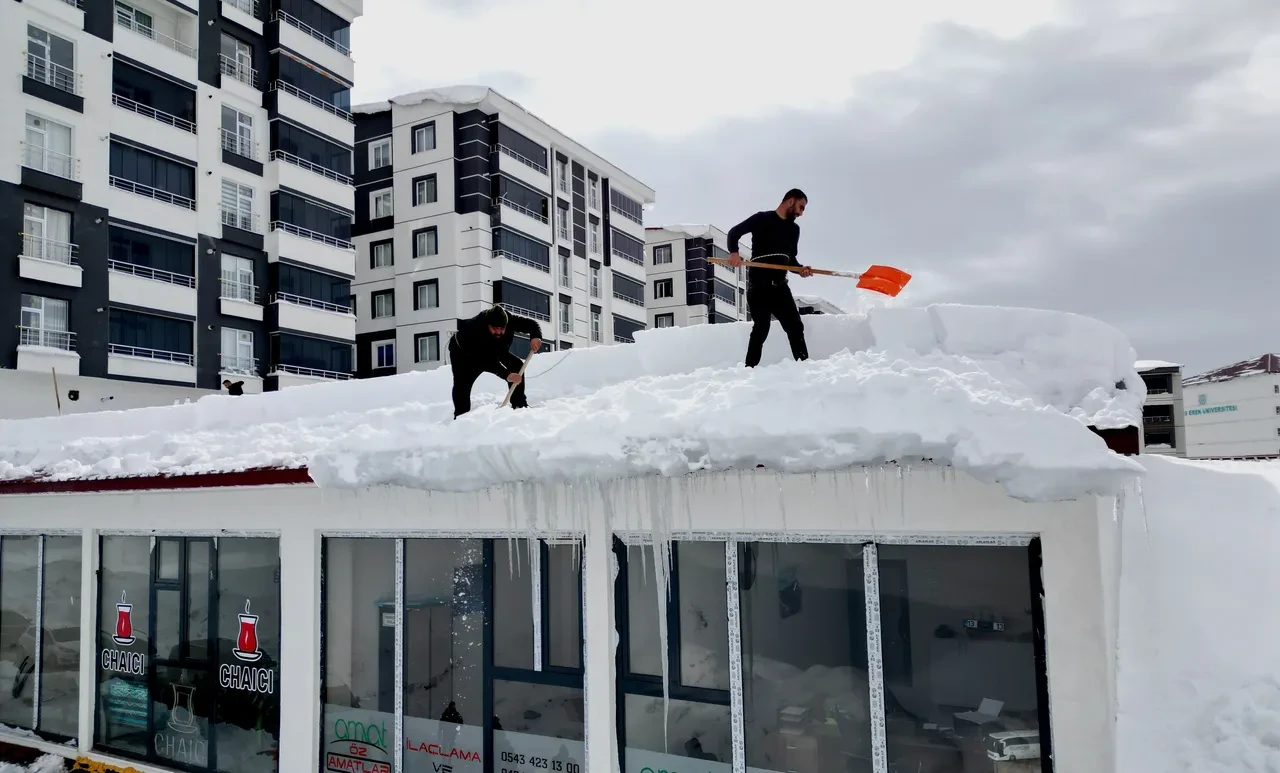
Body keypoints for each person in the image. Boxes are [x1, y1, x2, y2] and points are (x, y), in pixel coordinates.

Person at [726, 188, 814, 368]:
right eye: (801, 207)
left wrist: (801, 270)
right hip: (759, 287)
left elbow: (791, 260)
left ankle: (804, 367)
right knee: (762, 328)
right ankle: (749, 370)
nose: (801, 213)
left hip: (780, 288)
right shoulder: (761, 219)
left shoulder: (794, 230)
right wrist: (734, 253)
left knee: (795, 327)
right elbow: (734, 233)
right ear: (790, 201)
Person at [449, 304, 543, 418]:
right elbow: (485, 361)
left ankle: (519, 405)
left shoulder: (510, 321)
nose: (498, 332)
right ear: (488, 325)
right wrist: (506, 375)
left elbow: (532, 325)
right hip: (465, 353)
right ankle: (461, 417)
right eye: (494, 328)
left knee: (516, 365)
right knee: (462, 383)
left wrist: (536, 336)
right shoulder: (474, 328)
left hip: (497, 348)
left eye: (502, 328)